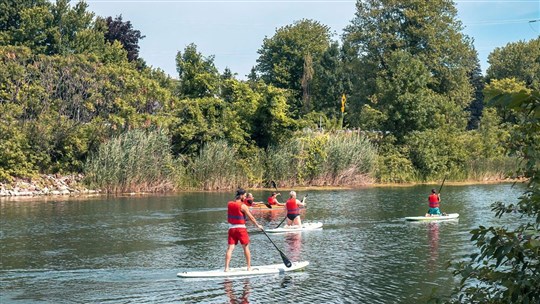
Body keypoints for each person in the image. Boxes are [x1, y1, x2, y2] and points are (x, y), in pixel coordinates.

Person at [225, 188, 263, 272]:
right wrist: (258, 225)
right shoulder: (243, 206)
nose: (245, 198)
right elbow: (251, 217)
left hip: (231, 228)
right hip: (241, 229)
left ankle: (226, 268)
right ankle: (249, 267)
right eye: (245, 196)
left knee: (230, 248)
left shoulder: (229, 204)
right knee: (246, 247)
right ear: (241, 196)